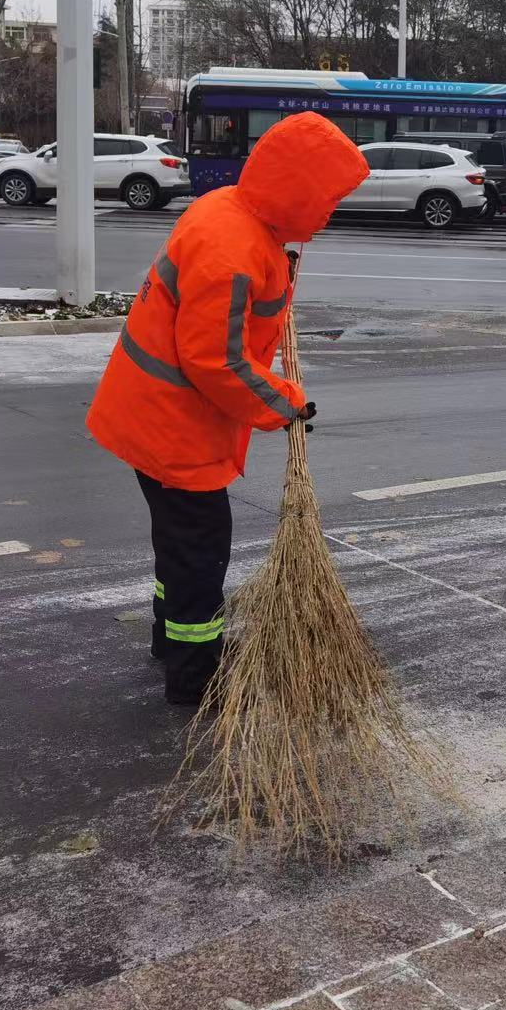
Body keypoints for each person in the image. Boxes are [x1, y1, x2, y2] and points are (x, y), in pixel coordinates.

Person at [85, 112, 369, 706]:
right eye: (327, 198)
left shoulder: (236, 216)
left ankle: (174, 641)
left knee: (181, 541)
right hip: (174, 427)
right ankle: (195, 675)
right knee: (199, 547)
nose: (329, 212)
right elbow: (216, 360)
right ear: (295, 189)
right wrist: (284, 403)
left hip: (157, 415)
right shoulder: (233, 247)